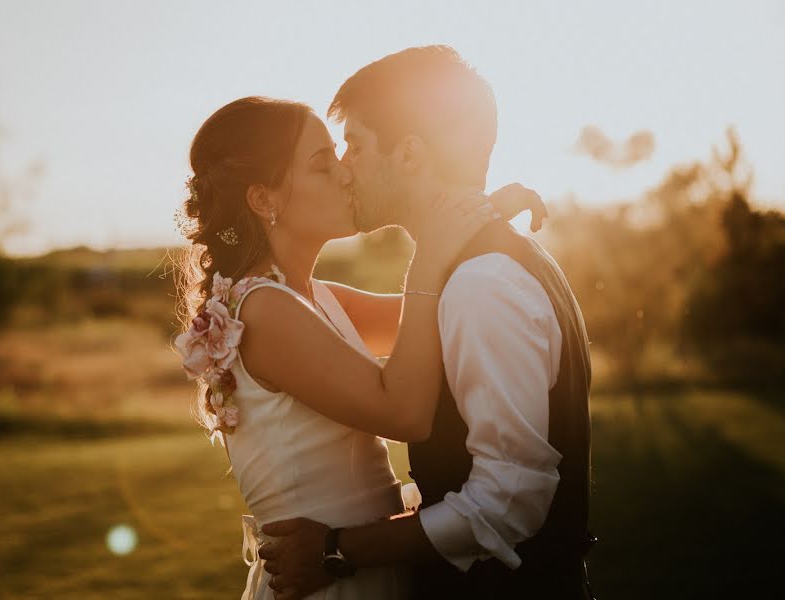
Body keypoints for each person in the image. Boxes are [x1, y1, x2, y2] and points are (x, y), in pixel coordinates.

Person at [173, 93, 546, 600]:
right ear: (264, 200)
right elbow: (405, 412)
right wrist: (429, 257)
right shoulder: (264, 313)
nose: (346, 174)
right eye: (322, 164)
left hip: (360, 566)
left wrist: (479, 218)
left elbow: (441, 310)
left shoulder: (313, 297)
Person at [257, 46, 596, 600]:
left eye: (355, 145)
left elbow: (508, 500)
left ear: (410, 154)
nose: (344, 167)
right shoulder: (484, 267)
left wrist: (339, 548)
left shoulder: (481, 283)